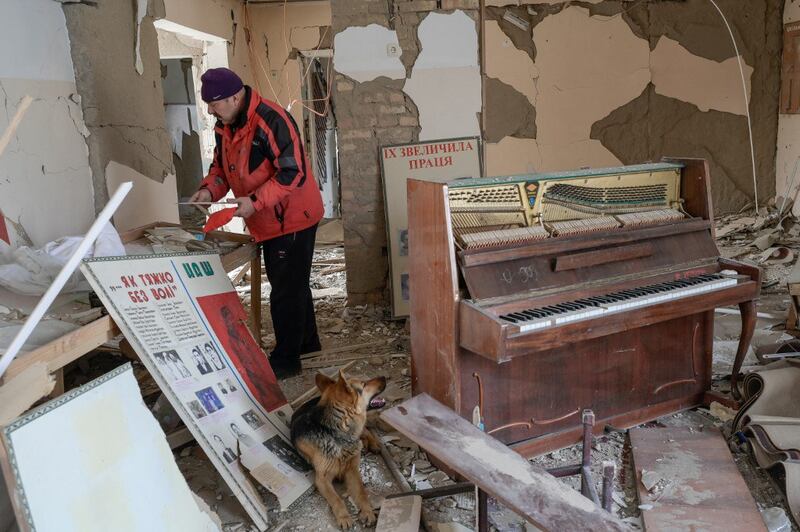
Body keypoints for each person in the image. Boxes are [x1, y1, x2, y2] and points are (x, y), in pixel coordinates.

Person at [190, 67, 322, 379]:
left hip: (291, 216)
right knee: (294, 282)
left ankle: (287, 360)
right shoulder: (226, 123)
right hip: (268, 216)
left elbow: (294, 172)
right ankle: (306, 342)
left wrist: (256, 202)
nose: (210, 109)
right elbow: (222, 167)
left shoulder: (272, 120)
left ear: (235, 97)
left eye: (215, 103)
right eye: (207, 103)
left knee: (285, 290)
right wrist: (209, 189)